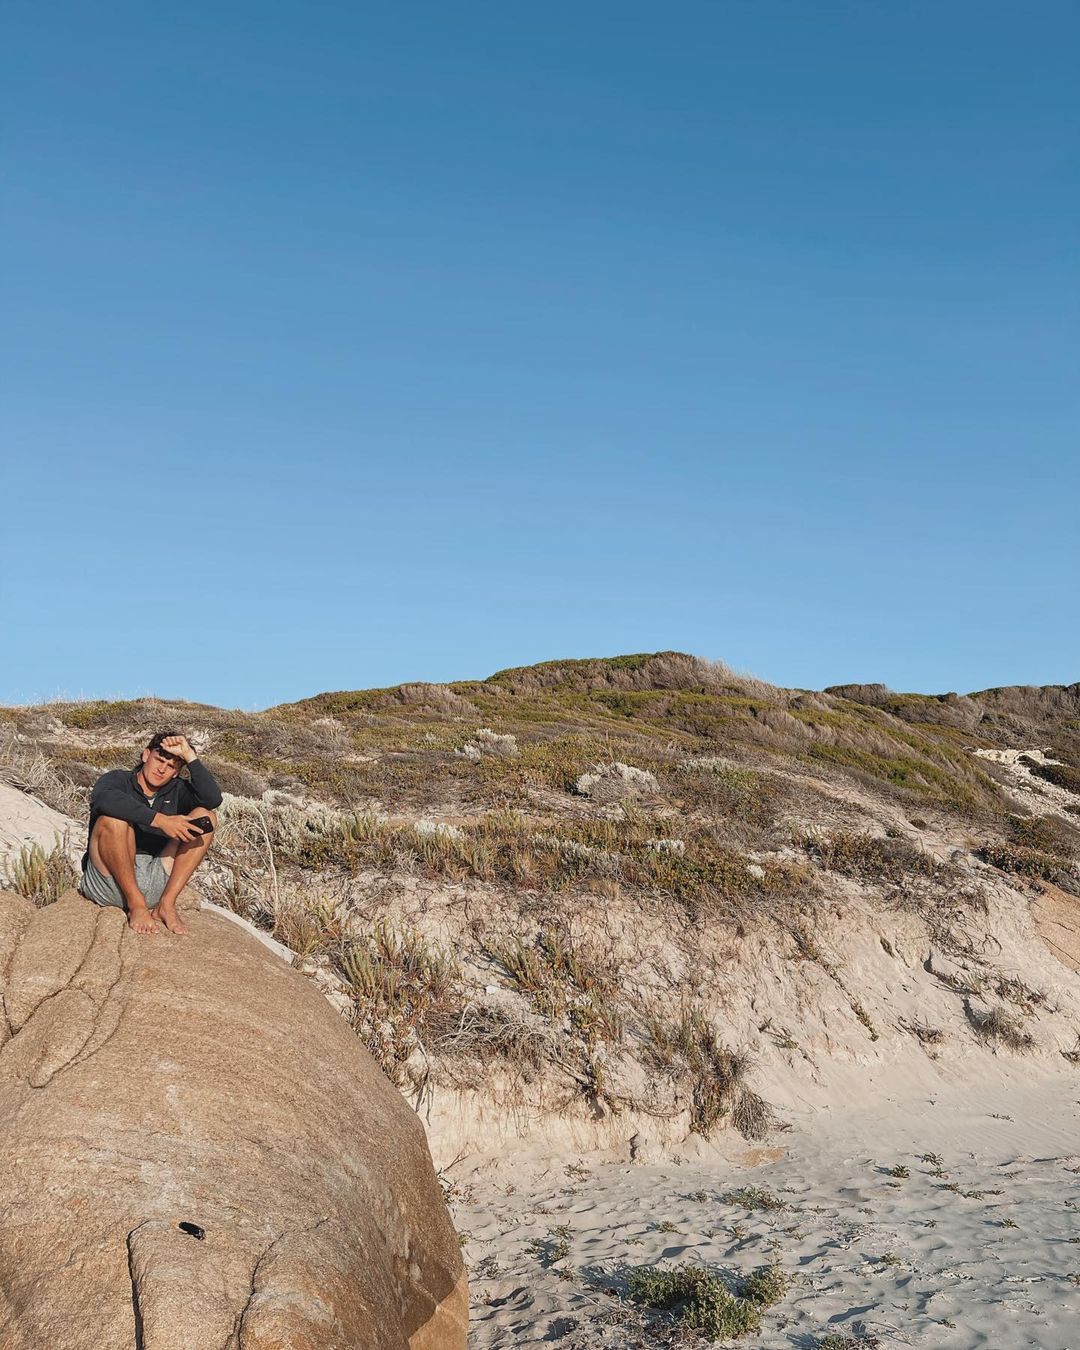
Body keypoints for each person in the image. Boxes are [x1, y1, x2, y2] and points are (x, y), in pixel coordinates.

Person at [80, 730, 223, 935]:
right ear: (146, 755)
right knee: (112, 820)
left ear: (176, 772)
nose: (162, 769)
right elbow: (104, 800)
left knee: (206, 816)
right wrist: (161, 821)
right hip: (109, 882)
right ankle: (136, 905)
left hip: (156, 880)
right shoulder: (117, 779)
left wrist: (189, 755)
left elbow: (212, 799)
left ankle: (166, 904)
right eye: (159, 760)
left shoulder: (178, 790)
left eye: (171, 766)